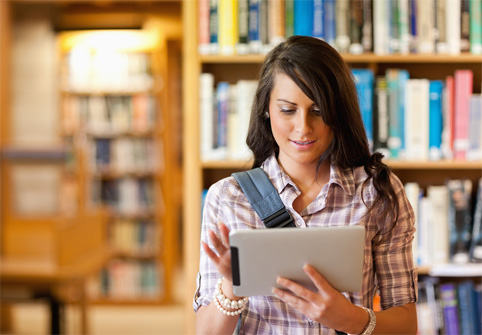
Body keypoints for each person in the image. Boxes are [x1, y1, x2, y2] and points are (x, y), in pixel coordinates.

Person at [193, 35, 418, 335]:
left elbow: (406, 324)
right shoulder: (227, 198)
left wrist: (348, 317)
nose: (303, 128)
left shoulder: (376, 192)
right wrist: (232, 285)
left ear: (338, 111)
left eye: (318, 110)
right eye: (288, 110)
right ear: (266, 109)